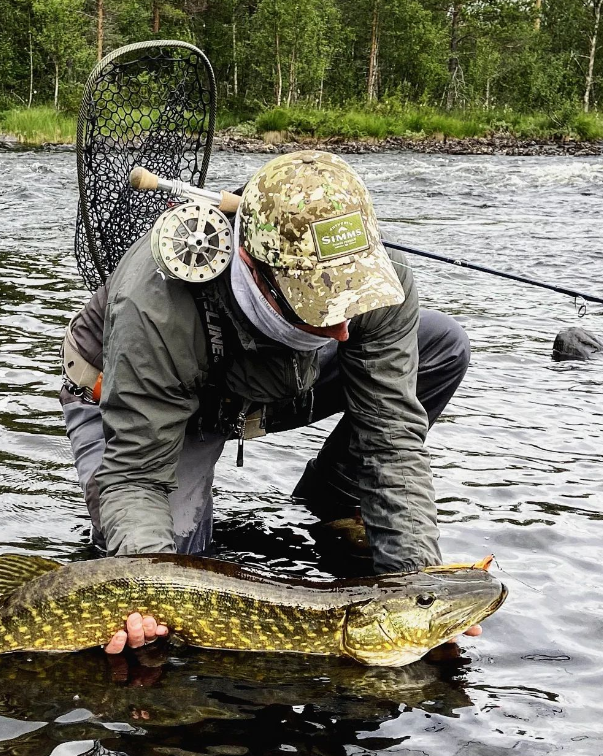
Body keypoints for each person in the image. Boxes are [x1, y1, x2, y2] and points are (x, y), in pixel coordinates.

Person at [60, 150, 475, 653]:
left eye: (351, 303)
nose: (342, 329)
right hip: (143, 399)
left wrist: (418, 588)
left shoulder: (377, 280)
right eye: (319, 305)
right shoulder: (154, 303)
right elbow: (136, 477)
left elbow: (392, 440)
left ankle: (334, 501)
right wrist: (145, 587)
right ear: (255, 269)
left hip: (268, 381)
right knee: (172, 577)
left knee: (441, 344)